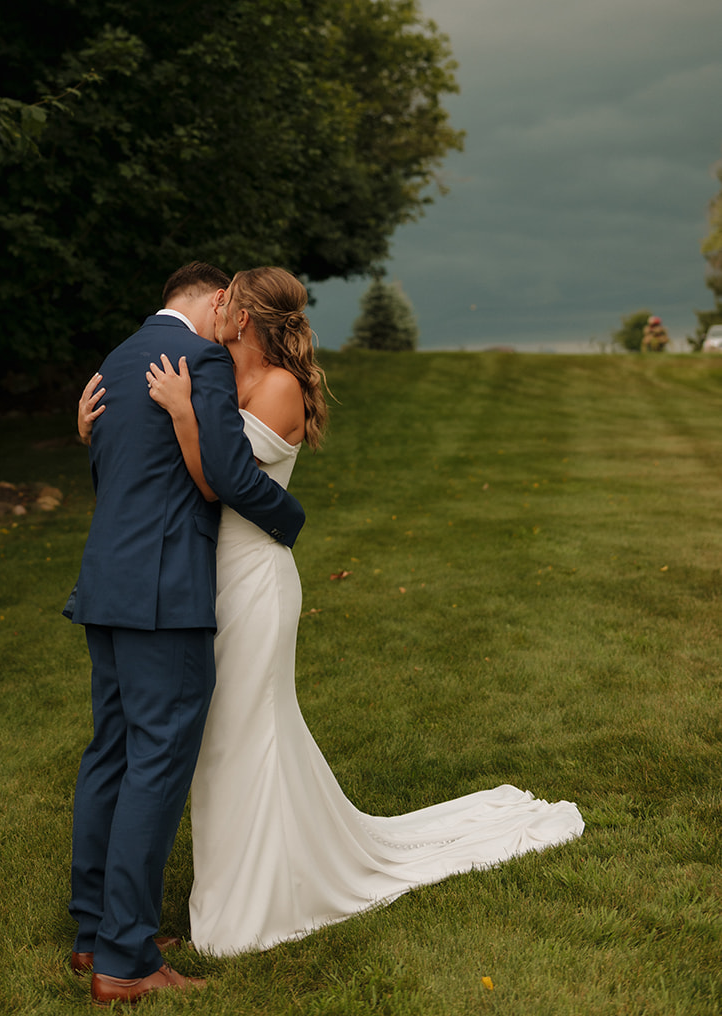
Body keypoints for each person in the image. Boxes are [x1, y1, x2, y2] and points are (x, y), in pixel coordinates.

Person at [80, 265, 584, 960]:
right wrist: (102, 430)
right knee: (213, 741)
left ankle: (247, 900)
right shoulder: (211, 369)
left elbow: (220, 481)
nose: (220, 311)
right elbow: (158, 465)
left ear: (245, 317)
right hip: (197, 578)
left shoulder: (279, 386)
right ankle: (213, 893)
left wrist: (184, 416)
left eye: (230, 303)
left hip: (250, 578)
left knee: (242, 733)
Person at [65, 262, 306, 1004]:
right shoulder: (197, 357)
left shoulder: (117, 357)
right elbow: (229, 477)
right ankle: (127, 961)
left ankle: (92, 934)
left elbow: (120, 469)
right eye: (223, 310)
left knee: (111, 750)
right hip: (164, 595)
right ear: (210, 302)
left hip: (106, 583)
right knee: (157, 761)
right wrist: (290, 522)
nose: (227, 324)